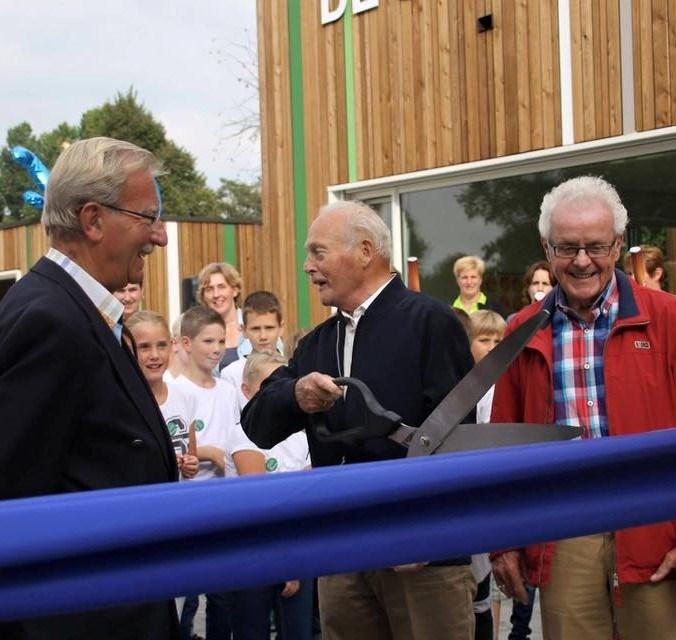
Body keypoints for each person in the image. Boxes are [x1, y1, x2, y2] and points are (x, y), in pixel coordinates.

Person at [242, 200, 477, 640]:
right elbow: (257, 424)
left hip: (421, 557)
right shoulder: (316, 344)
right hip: (344, 551)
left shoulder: (431, 323)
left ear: (366, 251)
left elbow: (459, 437)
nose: (307, 267)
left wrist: (431, 530)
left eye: (318, 252)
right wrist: (296, 394)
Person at [0, 137, 179, 639]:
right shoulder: (50, 321)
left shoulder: (75, 313)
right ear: (94, 220)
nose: (159, 236)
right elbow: (13, 499)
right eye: (147, 216)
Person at [490, 176, 676, 640]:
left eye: (595, 246)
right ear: (546, 248)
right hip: (564, 522)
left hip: (657, 521)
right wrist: (503, 542)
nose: (581, 261)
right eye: (566, 247)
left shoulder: (668, 318)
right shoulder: (521, 330)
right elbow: (501, 446)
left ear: (617, 245)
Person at [173, 305, 265, 640]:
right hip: (187, 502)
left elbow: (241, 438)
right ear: (186, 343)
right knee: (185, 593)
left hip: (224, 503)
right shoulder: (176, 389)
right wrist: (205, 452)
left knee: (222, 593)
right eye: (207, 341)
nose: (215, 349)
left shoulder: (228, 390)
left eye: (220, 341)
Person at [229, 351, 312, 640]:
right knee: (252, 631)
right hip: (253, 551)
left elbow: (312, 488)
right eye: (268, 387)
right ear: (247, 391)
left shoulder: (302, 433)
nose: (278, 395)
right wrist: (284, 560)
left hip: (297, 546)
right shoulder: (243, 433)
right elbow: (261, 498)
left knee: (300, 632)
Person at [127, 310, 199, 480]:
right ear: (128, 349)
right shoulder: (123, 403)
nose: (155, 355)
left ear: (172, 345)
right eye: (144, 347)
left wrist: (190, 465)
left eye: (161, 345)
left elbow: (192, 454)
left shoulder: (185, 395)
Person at [221, 290, 286, 411]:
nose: (263, 336)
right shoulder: (231, 374)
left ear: (281, 328)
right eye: (255, 329)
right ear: (244, 330)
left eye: (269, 328)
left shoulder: (292, 368)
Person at [197, 262, 245, 370]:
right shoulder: (197, 331)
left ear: (235, 290)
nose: (216, 294)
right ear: (203, 296)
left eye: (221, 287)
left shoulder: (254, 324)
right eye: (209, 289)